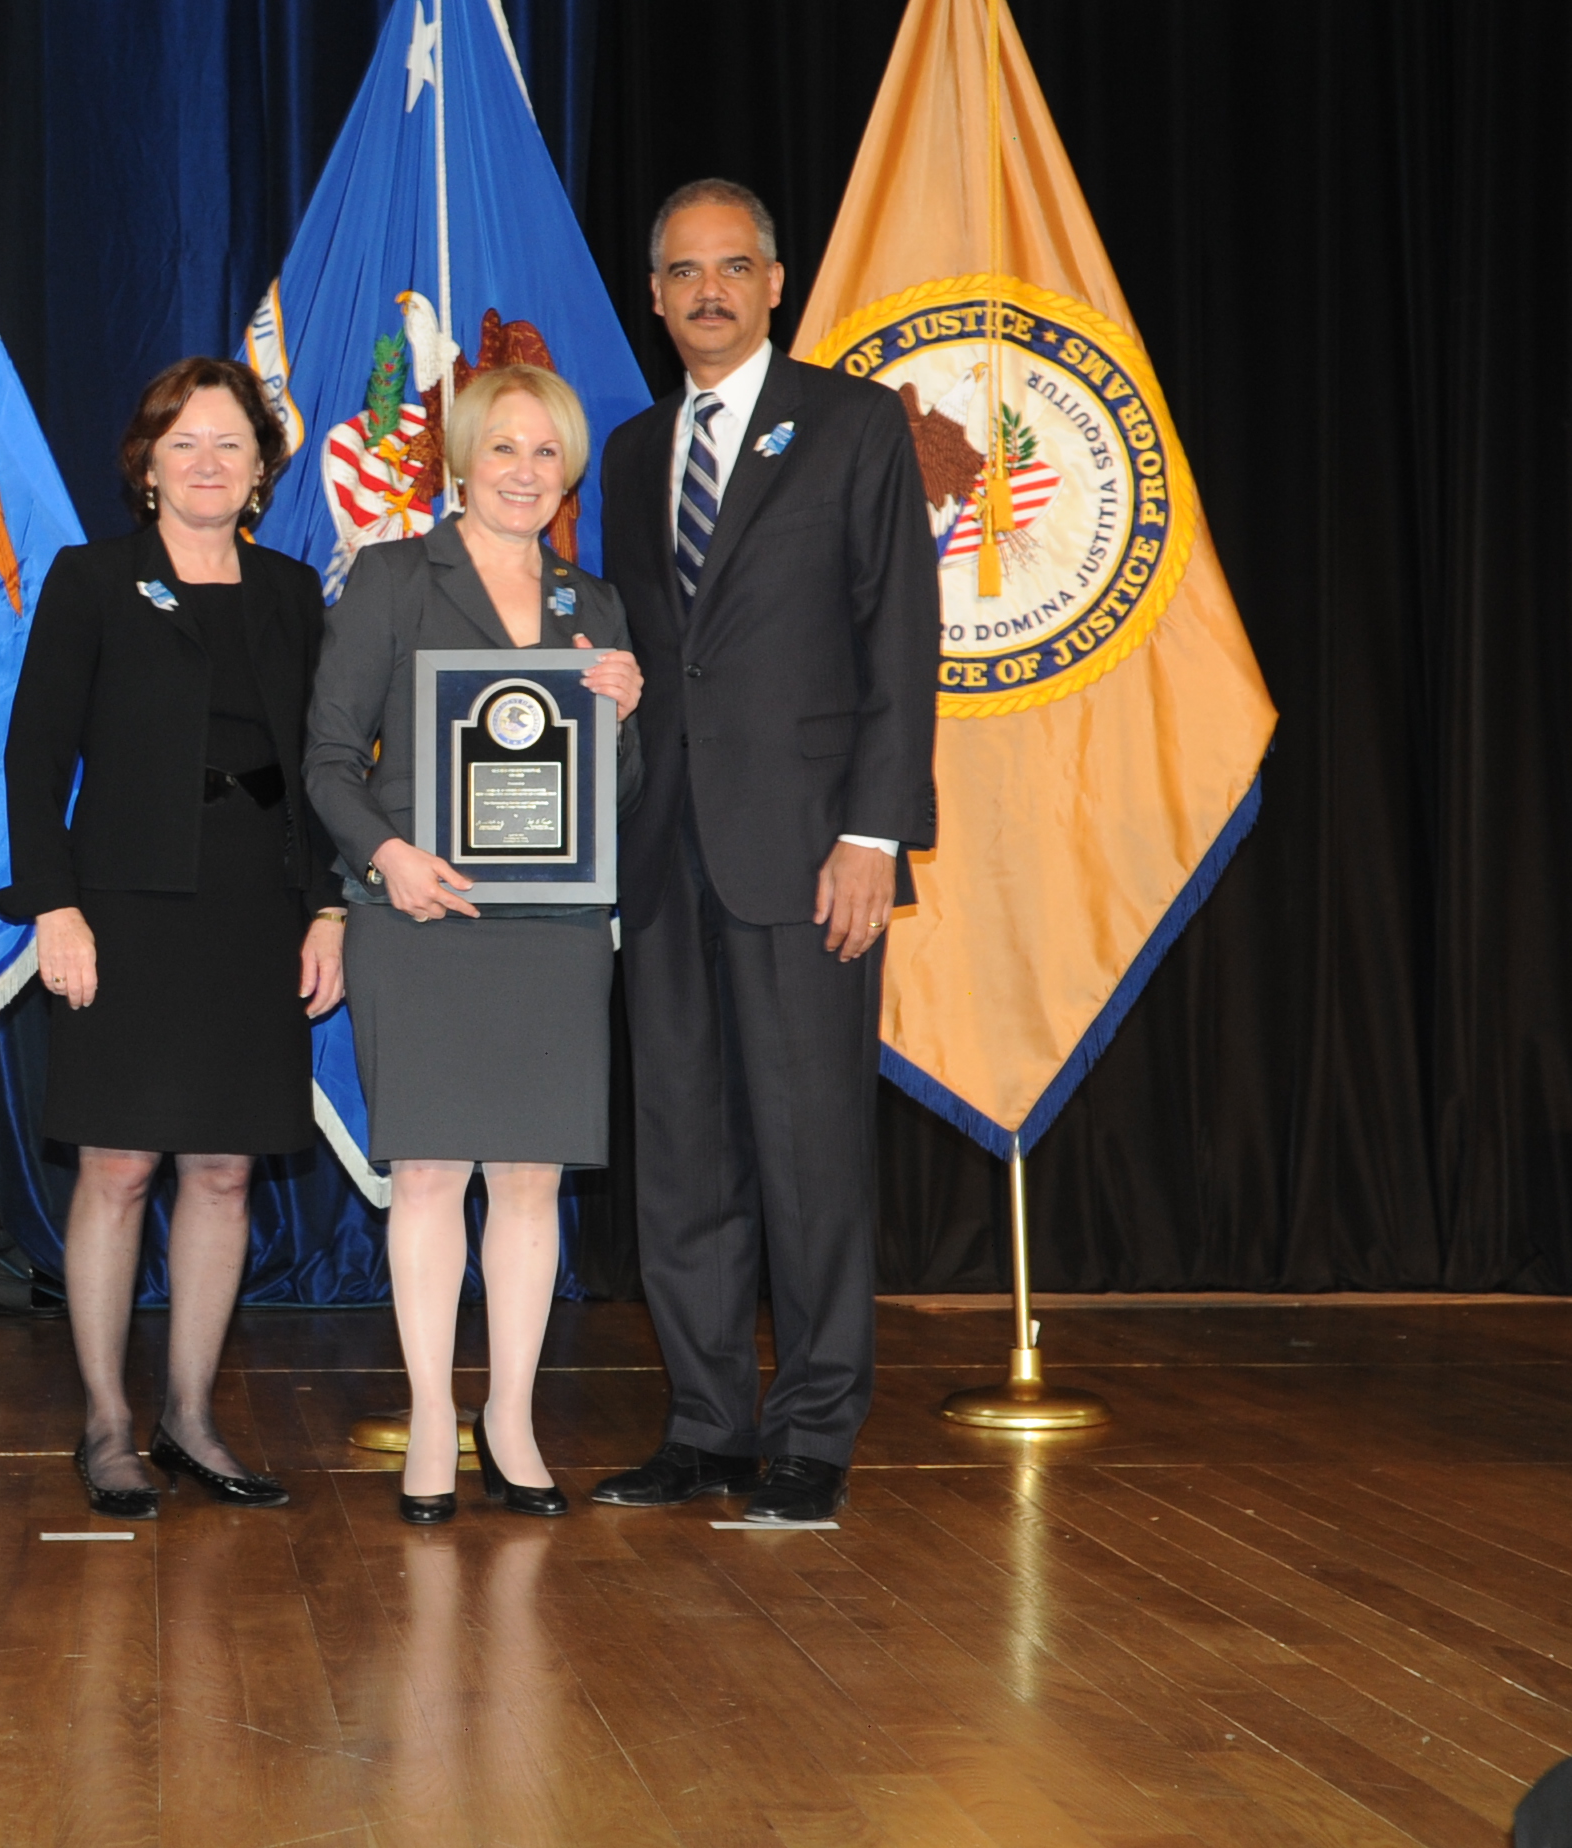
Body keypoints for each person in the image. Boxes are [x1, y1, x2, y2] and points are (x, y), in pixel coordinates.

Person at [593, 180, 939, 1524]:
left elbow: (899, 639)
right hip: (660, 848)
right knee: (681, 1148)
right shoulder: (628, 453)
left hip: (807, 851)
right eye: (684, 272)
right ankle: (705, 1423)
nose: (709, 293)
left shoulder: (852, 425)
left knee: (807, 1150)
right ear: (658, 290)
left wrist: (873, 833)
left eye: (734, 268)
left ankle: (811, 1431)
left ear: (778, 281)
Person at [0, 357, 349, 1520]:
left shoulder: (294, 592)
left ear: (261, 472)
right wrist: (54, 905)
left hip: (257, 910)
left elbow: (331, 769)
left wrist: (331, 907)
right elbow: (36, 757)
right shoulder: (94, 580)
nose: (208, 462)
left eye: (231, 445)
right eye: (184, 442)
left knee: (227, 1167)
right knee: (118, 1163)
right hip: (125, 913)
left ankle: (191, 1416)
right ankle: (104, 1423)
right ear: (147, 466)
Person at [305, 364, 644, 1525]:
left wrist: (623, 713)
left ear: (570, 473)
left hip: (551, 931)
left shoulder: (591, 603)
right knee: (434, 1178)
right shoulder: (396, 576)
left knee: (532, 1183)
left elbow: (618, 794)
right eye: (503, 448)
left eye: (546, 453)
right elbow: (327, 758)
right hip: (420, 918)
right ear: (460, 457)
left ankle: (512, 1418)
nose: (523, 472)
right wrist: (387, 859)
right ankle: (434, 1424)